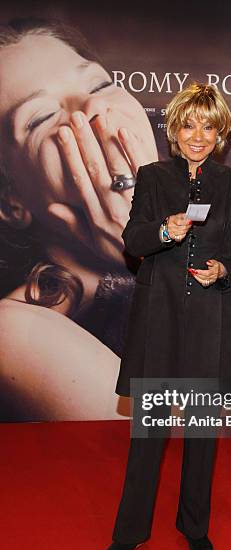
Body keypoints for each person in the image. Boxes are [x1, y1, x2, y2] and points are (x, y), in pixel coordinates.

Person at [102, 83, 231, 550]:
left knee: (202, 434)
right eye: (188, 125)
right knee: (149, 434)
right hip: (160, 319)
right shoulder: (151, 176)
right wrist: (163, 231)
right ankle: (130, 531)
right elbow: (133, 240)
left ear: (220, 134)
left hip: (211, 320)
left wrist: (224, 271)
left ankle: (194, 526)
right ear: (173, 129)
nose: (197, 135)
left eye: (207, 127)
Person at [0, 18, 158, 420]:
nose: (91, 108)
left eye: (100, 84)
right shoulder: (14, 331)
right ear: (11, 200)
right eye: (39, 118)